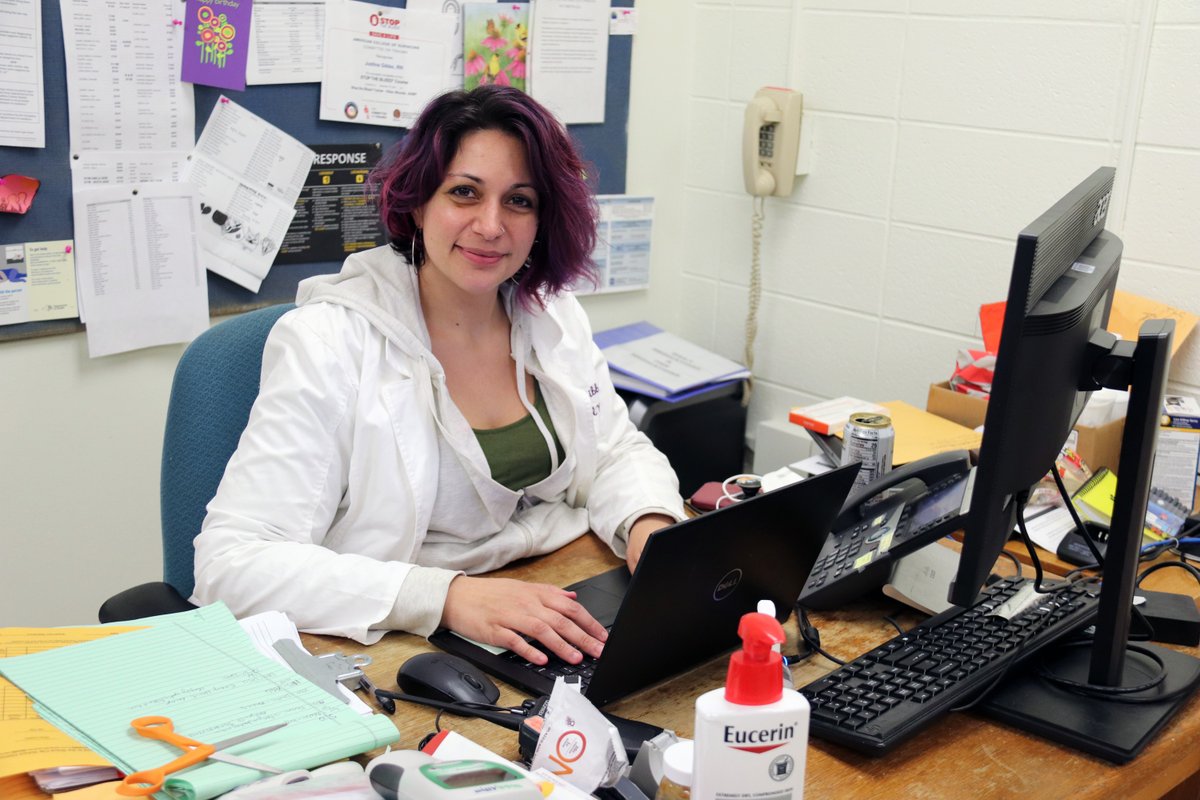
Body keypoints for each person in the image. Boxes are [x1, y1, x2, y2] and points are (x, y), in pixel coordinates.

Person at [192, 86, 685, 666]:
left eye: (520, 201)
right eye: (464, 193)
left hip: (549, 603)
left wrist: (650, 525)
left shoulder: (551, 316)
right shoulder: (329, 342)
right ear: (419, 203)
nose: (491, 225)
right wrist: (444, 596)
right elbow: (232, 564)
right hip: (392, 641)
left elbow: (614, 451)